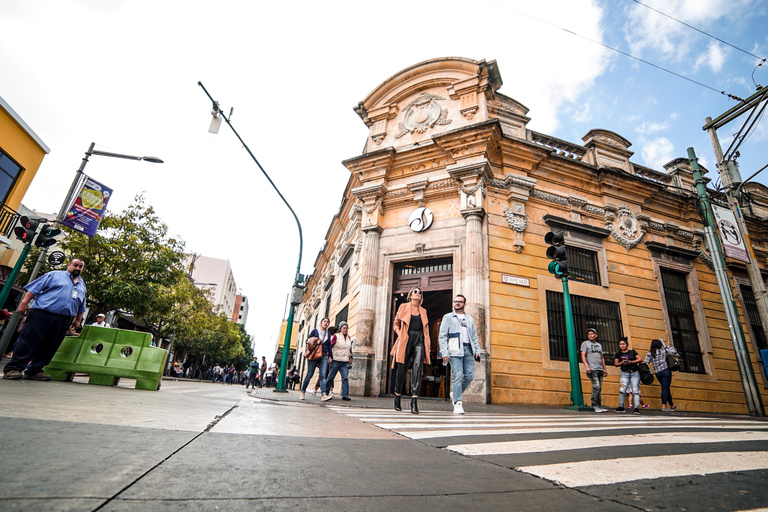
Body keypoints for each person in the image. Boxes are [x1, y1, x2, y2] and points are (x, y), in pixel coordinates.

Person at [3, 258, 87, 381]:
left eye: (80, 267)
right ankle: (13, 368)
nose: (78, 268)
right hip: (42, 314)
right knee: (29, 340)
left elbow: (81, 304)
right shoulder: (54, 275)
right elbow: (33, 289)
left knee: (50, 345)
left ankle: (35, 370)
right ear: (69, 264)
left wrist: (78, 320)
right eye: (75, 265)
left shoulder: (82, 285)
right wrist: (24, 302)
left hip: (63, 319)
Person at [439, 294, 481, 415]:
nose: (457, 303)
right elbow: (442, 336)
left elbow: (474, 337)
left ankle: (455, 393)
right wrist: (444, 352)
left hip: (468, 349)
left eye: (460, 301)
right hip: (454, 349)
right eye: (455, 301)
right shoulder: (447, 317)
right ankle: (457, 403)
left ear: (464, 304)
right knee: (457, 375)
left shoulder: (470, 319)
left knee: (470, 375)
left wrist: (477, 351)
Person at [391, 287, 431, 414]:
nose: (418, 293)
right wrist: (400, 334)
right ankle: (397, 396)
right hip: (405, 339)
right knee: (402, 368)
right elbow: (396, 324)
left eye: (420, 292)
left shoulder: (423, 311)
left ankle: (414, 401)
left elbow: (425, 329)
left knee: (418, 368)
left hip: (419, 339)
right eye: (415, 291)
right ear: (410, 295)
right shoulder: (403, 306)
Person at [300, 317, 331, 401]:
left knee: (323, 375)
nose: (326, 323)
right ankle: (302, 392)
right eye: (324, 321)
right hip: (313, 355)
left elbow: (329, 346)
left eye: (327, 322)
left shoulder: (328, 334)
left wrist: (330, 356)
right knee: (309, 374)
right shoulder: (315, 331)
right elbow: (308, 340)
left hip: (324, 356)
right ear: (321, 322)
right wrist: (316, 340)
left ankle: (324, 394)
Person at [644, 338, 679, 411]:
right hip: (665, 371)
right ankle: (664, 406)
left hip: (658, 373)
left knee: (666, 388)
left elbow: (645, 363)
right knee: (665, 388)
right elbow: (674, 351)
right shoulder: (664, 350)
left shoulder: (650, 353)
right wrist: (665, 346)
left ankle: (672, 405)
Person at [580, 327, 608, 413]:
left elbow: (602, 357)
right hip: (592, 369)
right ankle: (594, 405)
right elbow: (583, 355)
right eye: (589, 334)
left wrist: (605, 369)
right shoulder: (585, 344)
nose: (590, 335)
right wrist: (587, 367)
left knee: (600, 388)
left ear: (596, 335)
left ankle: (599, 405)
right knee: (596, 386)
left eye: (592, 334)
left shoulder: (599, 345)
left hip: (600, 368)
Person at [614, 337, 642, 414]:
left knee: (635, 390)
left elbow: (640, 359)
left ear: (627, 345)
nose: (622, 346)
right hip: (624, 373)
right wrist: (622, 363)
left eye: (623, 344)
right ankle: (621, 406)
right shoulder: (618, 354)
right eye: (620, 344)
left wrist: (630, 362)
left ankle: (636, 407)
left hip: (634, 373)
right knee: (622, 390)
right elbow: (616, 364)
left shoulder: (632, 352)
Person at [326, 321, 353, 401]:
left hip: (345, 361)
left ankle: (345, 395)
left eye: (346, 328)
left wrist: (351, 357)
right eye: (344, 328)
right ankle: (325, 392)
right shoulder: (336, 336)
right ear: (340, 329)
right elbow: (330, 347)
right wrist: (329, 357)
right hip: (336, 360)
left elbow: (349, 348)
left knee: (345, 378)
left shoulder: (348, 337)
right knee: (331, 377)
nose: (345, 329)